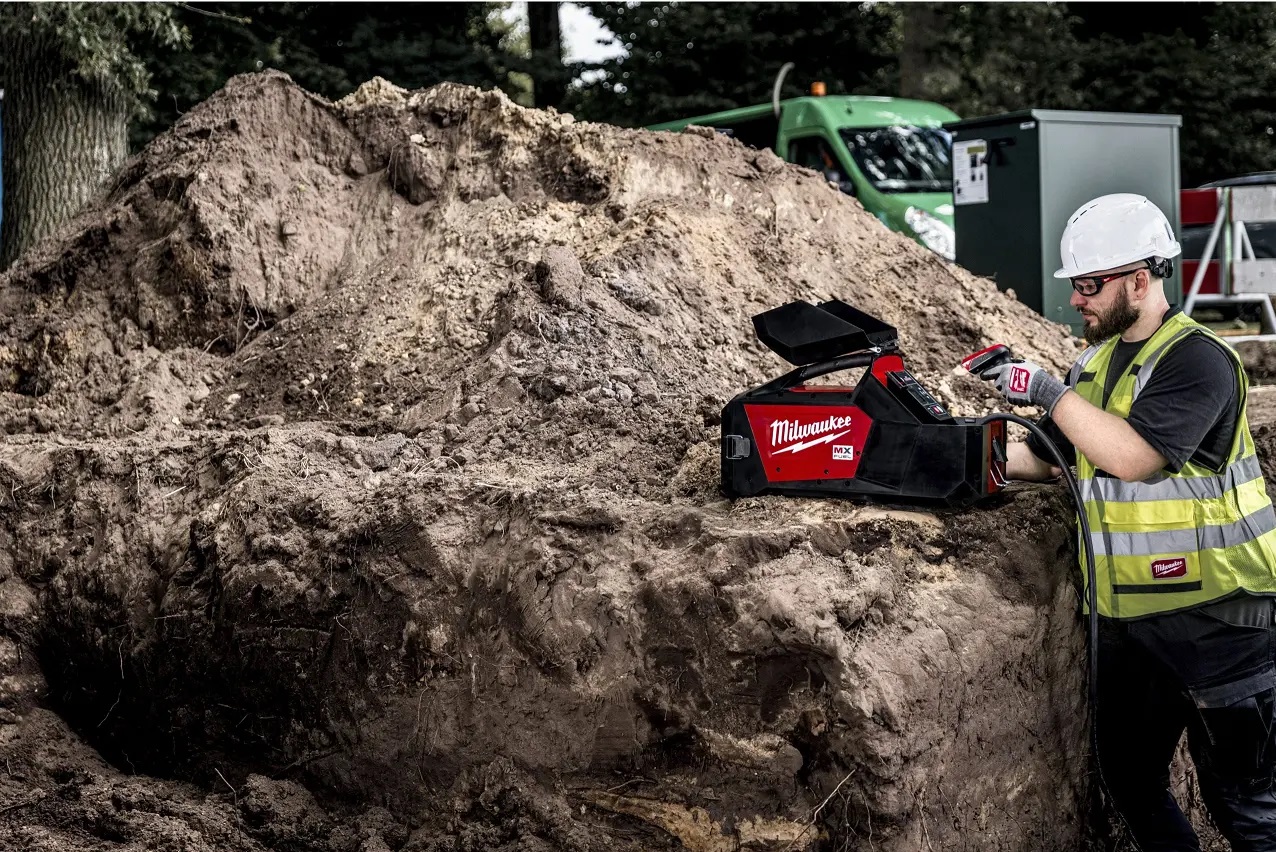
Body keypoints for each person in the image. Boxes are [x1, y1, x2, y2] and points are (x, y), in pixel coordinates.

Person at [979, 192, 1276, 851]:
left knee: (1245, 806)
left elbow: (1133, 458)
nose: (1075, 299)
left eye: (1089, 285)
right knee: (1131, 779)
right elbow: (1052, 458)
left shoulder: (1197, 359)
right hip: (1132, 622)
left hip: (1219, 621)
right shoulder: (1092, 366)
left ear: (1140, 281)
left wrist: (1047, 392)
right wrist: (964, 454)